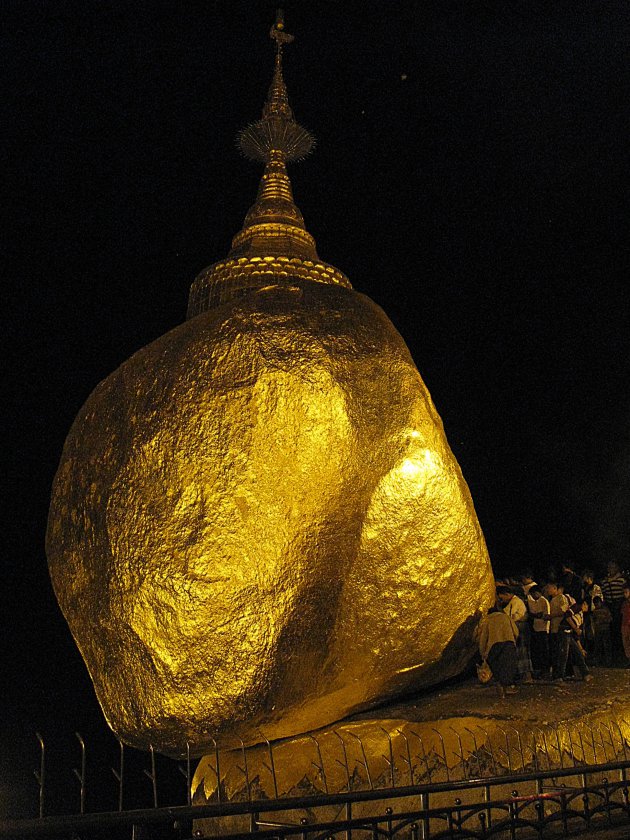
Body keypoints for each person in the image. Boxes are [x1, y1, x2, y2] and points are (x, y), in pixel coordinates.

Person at [478, 607, 519, 698]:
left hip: (494, 646)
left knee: (497, 667)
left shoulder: (488, 620)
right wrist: (513, 640)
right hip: (509, 644)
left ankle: (500, 686)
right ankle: (508, 686)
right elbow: (516, 631)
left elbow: (483, 638)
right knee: (508, 666)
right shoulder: (506, 617)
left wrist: (483, 653)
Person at [497, 585, 533, 683]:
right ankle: (523, 675)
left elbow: (506, 616)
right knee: (520, 652)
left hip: (520, 628)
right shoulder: (514, 601)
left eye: (502, 598)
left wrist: (498, 607)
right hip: (519, 627)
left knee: (522, 652)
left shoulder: (515, 602)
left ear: (507, 594)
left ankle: (526, 676)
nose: (502, 600)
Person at [554, 601, 592, 682]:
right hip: (564, 631)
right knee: (564, 655)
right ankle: (559, 676)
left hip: (569, 633)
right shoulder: (577, 607)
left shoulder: (581, 618)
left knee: (578, 653)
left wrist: (581, 649)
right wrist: (575, 628)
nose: (587, 608)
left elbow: (576, 636)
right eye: (587, 605)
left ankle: (585, 673)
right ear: (584, 604)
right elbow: (567, 616)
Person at [544, 581, 568, 680]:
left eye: (549, 588)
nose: (547, 590)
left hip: (559, 628)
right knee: (555, 652)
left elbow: (563, 611)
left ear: (555, 588)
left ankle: (560, 674)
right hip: (553, 629)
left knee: (560, 652)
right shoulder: (552, 599)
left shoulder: (561, 598)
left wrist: (551, 616)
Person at [527, 585, 550, 678]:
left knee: (544, 651)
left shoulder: (543, 601)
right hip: (536, 628)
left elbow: (546, 616)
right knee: (538, 651)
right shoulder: (535, 602)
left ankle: (546, 670)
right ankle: (540, 670)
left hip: (543, 629)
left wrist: (535, 615)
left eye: (533, 594)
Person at [591, 595, 613, 666]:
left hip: (605, 630)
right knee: (598, 646)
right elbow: (593, 621)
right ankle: (598, 661)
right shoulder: (595, 611)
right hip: (598, 631)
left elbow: (610, 619)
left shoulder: (606, 610)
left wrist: (602, 621)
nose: (596, 605)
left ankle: (608, 662)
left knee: (607, 646)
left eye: (597, 604)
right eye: (595, 604)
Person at [621, 585, 630, 666]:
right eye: (624, 592)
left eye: (626, 592)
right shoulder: (624, 603)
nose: (624, 594)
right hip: (624, 624)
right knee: (626, 642)